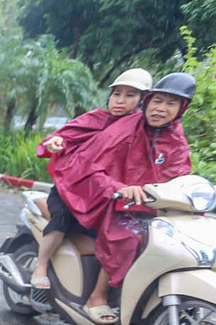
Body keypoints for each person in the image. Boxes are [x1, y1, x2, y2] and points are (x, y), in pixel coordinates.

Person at [57, 72, 216, 325]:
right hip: (111, 201)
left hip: (150, 206)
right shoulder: (125, 127)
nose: (161, 108)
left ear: (182, 109)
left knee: (181, 241)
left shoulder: (175, 137)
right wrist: (120, 187)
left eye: (171, 103)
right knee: (130, 237)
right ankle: (97, 296)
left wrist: (213, 188)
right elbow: (91, 166)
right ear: (147, 101)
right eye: (157, 101)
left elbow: (181, 176)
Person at [29, 68, 151, 290]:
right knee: (61, 222)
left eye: (130, 95)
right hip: (73, 188)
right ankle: (41, 265)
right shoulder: (96, 118)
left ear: (142, 100)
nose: (120, 100)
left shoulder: (143, 129)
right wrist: (55, 142)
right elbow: (64, 136)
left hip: (107, 196)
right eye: (117, 94)